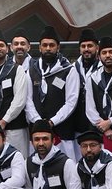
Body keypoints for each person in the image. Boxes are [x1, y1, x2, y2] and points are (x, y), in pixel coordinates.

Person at [25, 26, 80, 158]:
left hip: (62, 131)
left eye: (51, 45)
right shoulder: (31, 71)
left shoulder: (68, 70)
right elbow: (27, 100)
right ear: (39, 48)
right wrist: (39, 122)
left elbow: (71, 101)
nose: (48, 48)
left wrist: (53, 121)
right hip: (38, 132)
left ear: (58, 47)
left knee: (65, 168)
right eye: (45, 45)